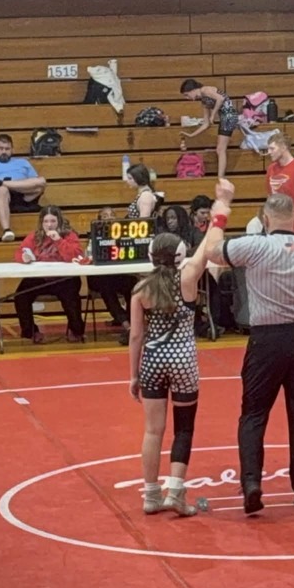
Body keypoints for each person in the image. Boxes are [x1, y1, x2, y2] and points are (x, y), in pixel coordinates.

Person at [204, 187, 294, 514]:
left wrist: (221, 211)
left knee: (254, 413)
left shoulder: (253, 245)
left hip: (267, 339)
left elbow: (211, 251)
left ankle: (252, 482)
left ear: (265, 220)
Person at [128, 218, 223, 516]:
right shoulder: (188, 277)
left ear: (151, 256)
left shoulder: (141, 289)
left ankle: (151, 495)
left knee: (152, 430)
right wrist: (218, 216)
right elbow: (207, 248)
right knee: (184, 427)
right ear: (180, 255)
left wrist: (133, 375)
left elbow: (136, 335)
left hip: (152, 360)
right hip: (183, 360)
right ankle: (176, 492)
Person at [13, 206, 86, 344]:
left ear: (59, 221)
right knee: (20, 296)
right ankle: (31, 331)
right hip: (40, 278)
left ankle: (76, 329)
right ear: (41, 222)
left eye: (53, 221)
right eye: (46, 221)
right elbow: (19, 252)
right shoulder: (35, 236)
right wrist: (24, 257)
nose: (49, 225)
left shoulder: (69, 235)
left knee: (72, 299)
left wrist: (58, 240)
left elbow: (75, 255)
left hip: (64, 278)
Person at [85, 206, 137, 341]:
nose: (109, 218)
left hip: (119, 275)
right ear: (99, 220)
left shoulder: (124, 235)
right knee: (106, 288)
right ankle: (126, 325)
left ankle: (133, 323)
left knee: (133, 285)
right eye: (105, 216)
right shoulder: (94, 236)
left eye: (112, 215)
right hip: (100, 278)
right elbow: (88, 256)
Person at [0, 134, 48, 242]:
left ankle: (1, 183)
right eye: (1, 148)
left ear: (12, 149)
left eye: (7, 149)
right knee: (2, 189)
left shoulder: (23, 163)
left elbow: (38, 183)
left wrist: (2, 183)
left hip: (23, 195)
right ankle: (6, 230)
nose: (4, 151)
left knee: (41, 181)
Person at [179, 80, 239, 179]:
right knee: (220, 149)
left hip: (229, 116)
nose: (187, 98)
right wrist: (191, 135)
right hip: (225, 117)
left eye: (186, 94)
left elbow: (220, 98)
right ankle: (220, 177)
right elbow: (206, 124)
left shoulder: (205, 90)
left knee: (220, 149)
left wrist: (213, 114)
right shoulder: (204, 101)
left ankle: (221, 177)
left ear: (192, 90)